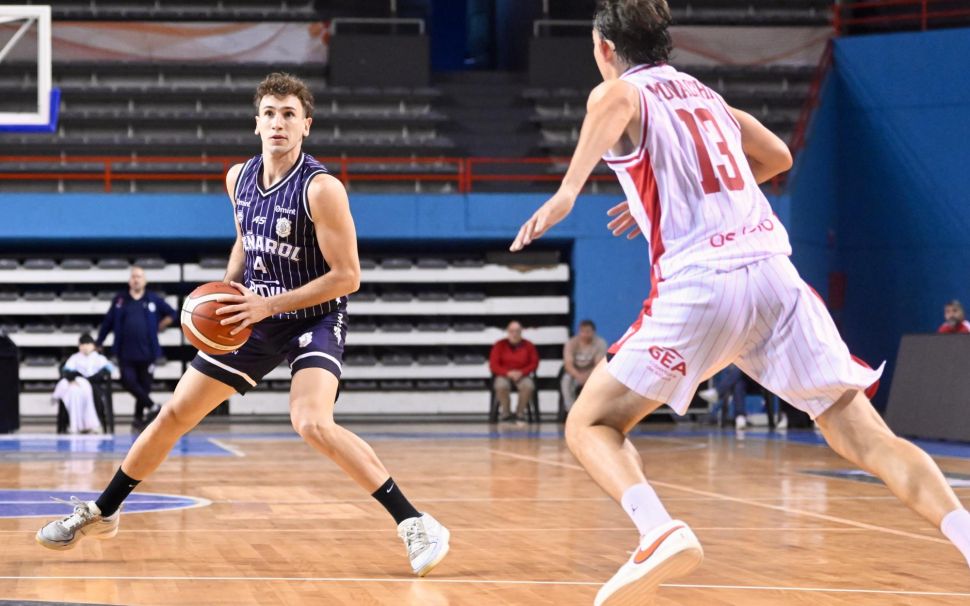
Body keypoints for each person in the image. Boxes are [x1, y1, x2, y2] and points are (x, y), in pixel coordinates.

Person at [509, 1, 970, 602]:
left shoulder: (620, 91)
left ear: (605, 49)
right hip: (775, 280)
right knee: (867, 437)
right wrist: (672, 191)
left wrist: (569, 190)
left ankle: (657, 531)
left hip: (703, 286)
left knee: (591, 422)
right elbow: (778, 157)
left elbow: (614, 101)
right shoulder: (705, 96)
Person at [36, 72, 450, 577]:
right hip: (253, 311)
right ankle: (104, 511)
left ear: (306, 125)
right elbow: (245, 240)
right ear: (256, 123)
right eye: (270, 114)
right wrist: (226, 293)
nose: (278, 123)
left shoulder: (322, 190)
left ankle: (415, 522)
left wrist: (266, 307)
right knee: (174, 415)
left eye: (289, 115)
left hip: (313, 315)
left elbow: (348, 277)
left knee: (311, 422)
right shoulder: (238, 178)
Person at [96, 266, 178, 430]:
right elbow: (108, 322)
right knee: (128, 381)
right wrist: (99, 341)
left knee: (144, 387)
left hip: (148, 352)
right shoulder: (120, 300)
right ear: (129, 280)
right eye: (133, 276)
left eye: (139, 277)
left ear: (144, 281)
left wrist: (161, 325)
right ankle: (154, 407)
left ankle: (138, 419)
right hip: (125, 352)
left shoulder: (153, 299)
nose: (136, 280)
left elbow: (172, 313)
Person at [53, 334, 111, 434]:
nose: (85, 347)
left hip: (94, 385)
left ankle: (94, 425)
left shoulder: (99, 358)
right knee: (72, 393)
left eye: (88, 344)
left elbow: (107, 370)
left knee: (95, 395)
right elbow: (66, 371)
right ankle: (74, 424)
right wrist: (75, 379)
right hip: (79, 386)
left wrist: (91, 379)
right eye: (83, 344)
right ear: (79, 346)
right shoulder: (75, 358)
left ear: (93, 345)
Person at [489, 320, 540, 422]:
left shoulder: (529, 345)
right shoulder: (499, 345)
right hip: (504, 374)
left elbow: (534, 363)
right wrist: (507, 373)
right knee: (500, 385)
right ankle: (506, 413)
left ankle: (520, 413)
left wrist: (522, 372)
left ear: (521, 332)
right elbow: (493, 365)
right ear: (508, 332)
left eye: (517, 331)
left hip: (523, 374)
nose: (514, 334)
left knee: (529, 385)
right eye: (512, 331)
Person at [561, 319, 607, 413]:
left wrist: (588, 376)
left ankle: (595, 411)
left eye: (587, 332)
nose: (585, 334)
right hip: (575, 373)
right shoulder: (571, 343)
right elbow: (568, 364)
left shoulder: (600, 343)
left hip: (592, 373)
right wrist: (578, 376)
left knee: (602, 381)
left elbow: (598, 365)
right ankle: (570, 410)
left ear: (593, 332)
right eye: (582, 331)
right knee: (566, 380)